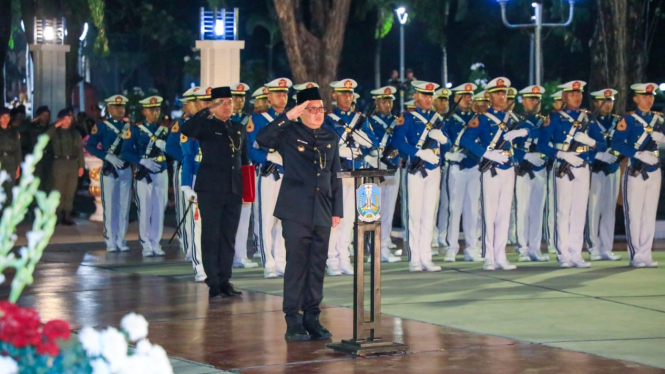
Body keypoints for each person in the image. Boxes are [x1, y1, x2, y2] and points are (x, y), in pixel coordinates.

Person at [256, 87, 342, 341]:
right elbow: (262, 138)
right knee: (296, 265)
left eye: (320, 109)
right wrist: (288, 115)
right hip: (295, 209)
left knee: (317, 265)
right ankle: (292, 320)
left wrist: (337, 209)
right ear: (302, 111)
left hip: (323, 209)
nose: (317, 114)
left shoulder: (330, 135)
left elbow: (334, 173)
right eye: (311, 109)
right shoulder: (288, 133)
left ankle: (312, 317)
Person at [180, 87, 248, 297]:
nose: (227, 106)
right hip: (210, 188)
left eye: (229, 102)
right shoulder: (206, 127)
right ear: (213, 105)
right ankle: (213, 281)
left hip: (233, 188)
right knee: (211, 235)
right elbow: (187, 129)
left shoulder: (238, 128)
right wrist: (206, 111)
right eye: (222, 103)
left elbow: (243, 160)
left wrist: (246, 189)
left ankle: (225, 279)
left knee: (228, 235)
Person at [537, 81, 607, 268]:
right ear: (564, 97)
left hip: (582, 166)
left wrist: (590, 142)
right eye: (572, 94)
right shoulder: (554, 118)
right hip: (563, 166)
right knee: (563, 210)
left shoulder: (589, 118)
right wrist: (560, 154)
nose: (577, 97)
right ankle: (563, 253)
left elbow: (602, 145)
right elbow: (542, 144)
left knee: (578, 211)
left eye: (579, 94)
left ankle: (576, 252)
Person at [461, 77, 523, 271]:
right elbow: (466, 139)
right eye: (497, 93)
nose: (502, 96)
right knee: (489, 213)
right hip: (491, 169)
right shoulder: (482, 118)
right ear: (489, 96)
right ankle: (489, 255)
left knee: (505, 213)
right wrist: (486, 153)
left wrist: (522, 134)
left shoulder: (513, 119)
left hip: (508, 167)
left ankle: (501, 254)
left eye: (504, 93)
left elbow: (530, 134)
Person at [393, 80, 449, 272]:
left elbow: (447, 145)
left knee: (429, 214)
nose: (428, 99)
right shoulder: (407, 117)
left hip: (433, 169)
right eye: (424, 95)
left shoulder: (437, 118)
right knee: (415, 215)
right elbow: (397, 141)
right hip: (416, 170)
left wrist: (443, 139)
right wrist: (417, 153)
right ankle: (415, 257)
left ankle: (426, 256)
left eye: (431, 96)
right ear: (416, 96)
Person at [324, 78, 377, 276]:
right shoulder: (329, 119)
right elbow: (326, 142)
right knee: (335, 218)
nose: (348, 97)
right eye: (343, 93)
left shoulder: (360, 118)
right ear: (335, 95)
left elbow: (374, 143)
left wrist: (362, 140)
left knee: (351, 219)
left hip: (356, 172)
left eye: (350, 93)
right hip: (337, 173)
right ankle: (331, 259)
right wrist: (341, 150)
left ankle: (344, 256)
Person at [612, 83, 664, 268]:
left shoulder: (659, 120)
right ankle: (636, 255)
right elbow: (616, 143)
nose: (648, 100)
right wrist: (638, 154)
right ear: (635, 98)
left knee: (649, 214)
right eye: (644, 96)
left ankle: (646, 253)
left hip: (653, 169)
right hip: (635, 168)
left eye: (651, 96)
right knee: (634, 214)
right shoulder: (628, 119)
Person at [247, 78, 292, 278]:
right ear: (269, 96)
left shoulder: (292, 119)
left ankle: (281, 261)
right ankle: (269, 262)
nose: (282, 97)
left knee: (284, 220)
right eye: (278, 93)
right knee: (266, 219)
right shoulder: (257, 120)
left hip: (287, 174)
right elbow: (249, 149)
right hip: (268, 173)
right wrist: (266, 157)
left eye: (285, 94)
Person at [440, 83, 483, 263]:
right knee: (454, 208)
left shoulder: (478, 119)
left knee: (473, 209)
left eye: (470, 95)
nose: (468, 98)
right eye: (464, 96)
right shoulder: (449, 120)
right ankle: (452, 248)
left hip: (473, 164)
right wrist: (447, 154)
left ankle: (472, 248)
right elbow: (442, 141)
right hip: (456, 166)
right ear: (456, 98)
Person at [121, 96, 169, 257]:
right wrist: (141, 160)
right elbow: (125, 152)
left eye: (157, 109)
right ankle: (146, 243)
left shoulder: (164, 130)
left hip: (161, 170)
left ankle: (156, 242)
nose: (155, 113)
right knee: (145, 209)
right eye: (151, 110)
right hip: (144, 172)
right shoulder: (135, 130)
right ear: (144, 111)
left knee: (159, 209)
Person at [86, 95, 132, 251]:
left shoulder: (128, 127)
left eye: (122, 107)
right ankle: (111, 240)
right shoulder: (102, 127)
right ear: (110, 109)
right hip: (110, 169)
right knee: (111, 206)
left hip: (125, 168)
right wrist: (106, 156)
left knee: (123, 206)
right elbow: (91, 146)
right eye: (116, 107)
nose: (120, 110)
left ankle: (120, 239)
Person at [584, 88, 622, 262]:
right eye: (604, 101)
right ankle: (593, 247)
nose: (608, 105)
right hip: (595, 169)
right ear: (596, 103)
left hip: (613, 168)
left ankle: (606, 247)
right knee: (594, 209)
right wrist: (597, 156)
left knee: (609, 210)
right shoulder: (588, 122)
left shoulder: (617, 121)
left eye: (610, 101)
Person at [512, 86, 550, 262]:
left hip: (540, 169)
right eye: (531, 99)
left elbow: (548, 138)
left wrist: (542, 157)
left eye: (537, 100)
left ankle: (535, 248)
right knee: (523, 210)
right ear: (524, 101)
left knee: (537, 210)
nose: (535, 103)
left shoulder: (544, 121)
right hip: (523, 170)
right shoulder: (517, 122)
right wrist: (525, 156)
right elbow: (510, 146)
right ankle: (522, 248)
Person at [367, 86, 401, 262]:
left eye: (390, 101)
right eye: (384, 101)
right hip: (375, 165)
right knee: (373, 209)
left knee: (388, 209)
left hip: (393, 166)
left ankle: (384, 245)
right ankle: (373, 247)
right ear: (376, 102)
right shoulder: (369, 121)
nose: (387, 104)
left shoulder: (397, 121)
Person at [166, 87, 198, 258]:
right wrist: (188, 159)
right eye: (194, 102)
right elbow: (170, 146)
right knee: (185, 208)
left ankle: (198, 246)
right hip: (184, 168)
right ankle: (188, 246)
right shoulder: (181, 124)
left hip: (201, 170)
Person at [230, 82, 258, 270]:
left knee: (245, 214)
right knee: (229, 214)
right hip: (229, 170)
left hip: (246, 168)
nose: (239, 100)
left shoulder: (248, 119)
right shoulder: (223, 120)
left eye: (242, 97)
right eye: (236, 97)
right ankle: (229, 255)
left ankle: (240, 254)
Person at [49, 109, 84, 225]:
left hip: (72, 163)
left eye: (70, 119)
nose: (68, 121)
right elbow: (44, 137)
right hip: (59, 162)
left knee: (70, 190)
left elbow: (79, 150)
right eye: (65, 119)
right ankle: (57, 215)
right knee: (58, 189)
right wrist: (55, 125)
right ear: (60, 119)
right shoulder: (54, 131)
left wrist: (81, 166)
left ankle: (67, 215)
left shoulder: (74, 133)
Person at [543, 90, 564, 255]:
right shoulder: (552, 119)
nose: (560, 104)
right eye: (557, 102)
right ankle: (551, 241)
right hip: (553, 165)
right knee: (553, 206)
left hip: (558, 164)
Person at [431, 87, 450, 254]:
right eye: (441, 100)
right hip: (428, 165)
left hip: (443, 165)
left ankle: (442, 233)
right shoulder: (431, 120)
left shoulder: (444, 121)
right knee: (432, 204)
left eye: (446, 100)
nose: (444, 103)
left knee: (445, 203)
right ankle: (432, 234)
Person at [0, 108, 21, 205]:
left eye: (7, 117)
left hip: (11, 162)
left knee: (9, 189)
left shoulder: (13, 132)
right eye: (3, 117)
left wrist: (18, 167)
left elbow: (17, 150)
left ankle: (7, 214)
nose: (5, 119)